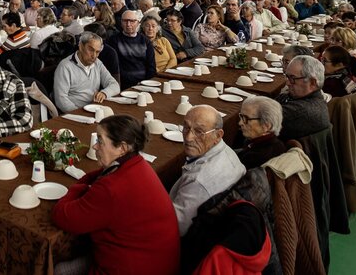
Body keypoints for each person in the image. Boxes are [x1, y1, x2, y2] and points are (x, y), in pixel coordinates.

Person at [52, 115, 180, 275]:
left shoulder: (110, 188)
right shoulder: (138, 163)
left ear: (122, 148)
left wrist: (79, 187)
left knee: (59, 270)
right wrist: (90, 183)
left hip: (132, 267)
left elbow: (62, 216)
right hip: (156, 262)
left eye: (100, 141)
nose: (95, 147)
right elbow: (102, 174)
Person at [169, 105, 245, 237]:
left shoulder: (198, 181)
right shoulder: (227, 151)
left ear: (218, 135)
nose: (188, 137)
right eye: (186, 127)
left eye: (199, 131)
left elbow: (175, 226)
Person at [52, 31, 120, 113]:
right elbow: (61, 101)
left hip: (95, 110)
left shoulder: (97, 63)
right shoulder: (65, 66)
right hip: (75, 114)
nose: (94, 56)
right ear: (81, 46)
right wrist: (80, 114)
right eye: (91, 50)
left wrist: (104, 93)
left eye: (97, 52)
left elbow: (115, 85)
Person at [277, 55, 330, 140]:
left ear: (312, 82)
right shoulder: (316, 99)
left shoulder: (300, 111)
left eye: (292, 78)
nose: (287, 83)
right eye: (287, 77)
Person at [105, 9, 155, 89]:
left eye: (132, 21)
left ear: (138, 23)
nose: (128, 24)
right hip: (123, 84)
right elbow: (113, 67)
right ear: (121, 22)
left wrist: (146, 83)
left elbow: (151, 66)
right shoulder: (113, 41)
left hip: (143, 83)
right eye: (125, 21)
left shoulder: (145, 41)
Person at [234, 96, 286, 169]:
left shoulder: (257, 157)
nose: (240, 123)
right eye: (241, 117)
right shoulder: (275, 143)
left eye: (246, 118)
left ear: (266, 126)